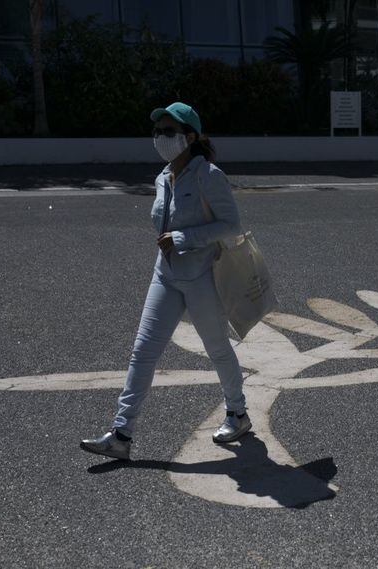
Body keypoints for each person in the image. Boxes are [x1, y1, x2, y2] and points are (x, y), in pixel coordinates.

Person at [81, 102, 250, 460]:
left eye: (169, 132)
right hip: (166, 275)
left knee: (217, 348)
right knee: (143, 351)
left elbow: (231, 225)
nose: (161, 138)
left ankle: (237, 413)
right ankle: (121, 434)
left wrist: (184, 238)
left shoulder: (209, 175)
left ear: (190, 137)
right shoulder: (162, 177)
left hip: (202, 277)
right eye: (158, 131)